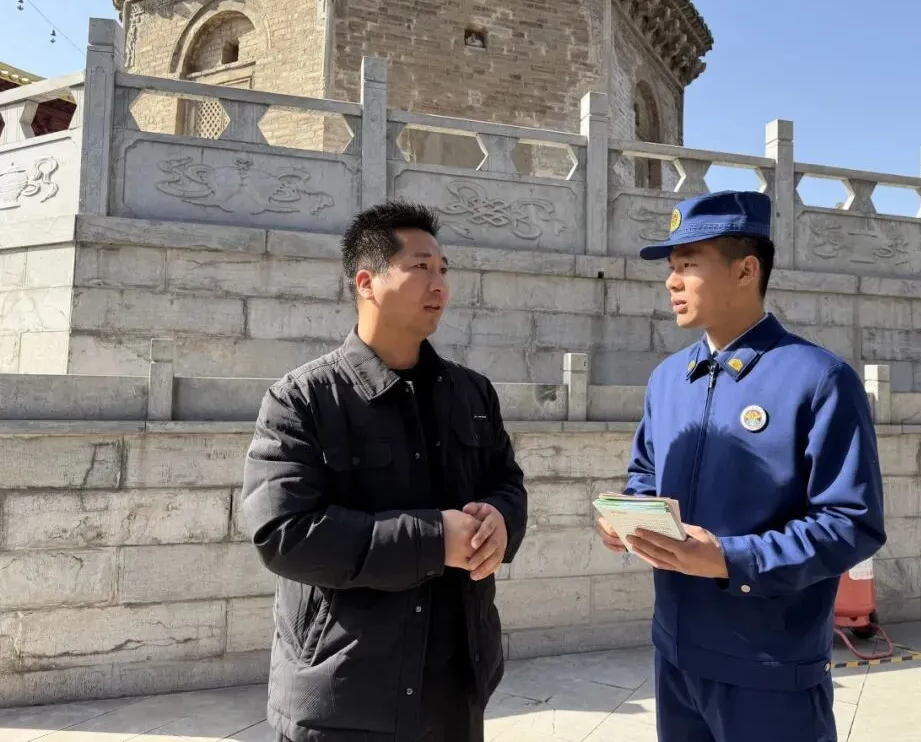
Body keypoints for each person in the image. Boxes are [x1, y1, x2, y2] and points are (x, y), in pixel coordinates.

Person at [596, 190, 886, 742]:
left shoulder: (818, 380)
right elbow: (645, 474)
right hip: (675, 655)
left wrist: (730, 559)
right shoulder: (668, 379)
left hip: (770, 668)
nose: (671, 282)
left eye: (687, 265)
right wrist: (627, 516)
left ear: (746, 270)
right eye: (671, 267)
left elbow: (852, 523)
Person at [242, 201, 528, 742]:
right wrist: (434, 539)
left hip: (455, 692)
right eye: (420, 267)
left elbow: (506, 481)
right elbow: (283, 534)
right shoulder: (303, 399)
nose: (439, 284)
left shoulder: (472, 394)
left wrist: (501, 520)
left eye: (443, 269)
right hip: (344, 695)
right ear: (367, 282)